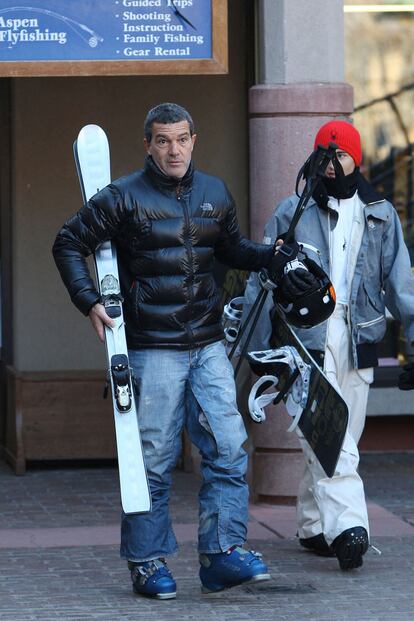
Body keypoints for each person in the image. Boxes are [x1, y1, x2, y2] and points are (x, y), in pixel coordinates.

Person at [52, 102, 310, 599]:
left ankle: (221, 554)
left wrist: (273, 257)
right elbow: (67, 242)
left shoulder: (214, 191)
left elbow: (230, 249)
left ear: (195, 139)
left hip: (208, 344)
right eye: (163, 140)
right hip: (152, 348)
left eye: (182, 139)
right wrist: (89, 302)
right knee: (151, 459)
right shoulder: (123, 196)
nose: (174, 149)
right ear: (148, 144)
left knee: (229, 448)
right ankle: (147, 562)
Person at [242, 119, 414, 571]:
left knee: (342, 437)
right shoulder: (291, 212)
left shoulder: (380, 214)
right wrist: (259, 353)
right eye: (325, 155)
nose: (333, 164)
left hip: (359, 339)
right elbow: (260, 282)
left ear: (356, 157)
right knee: (331, 434)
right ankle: (350, 529)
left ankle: (314, 525)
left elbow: (402, 286)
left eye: (341, 155)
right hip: (306, 341)